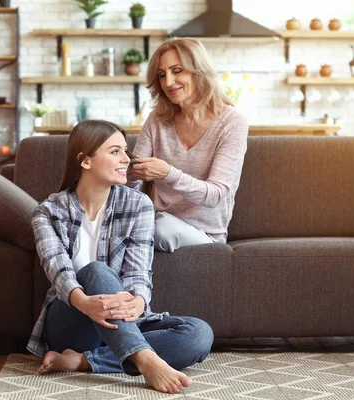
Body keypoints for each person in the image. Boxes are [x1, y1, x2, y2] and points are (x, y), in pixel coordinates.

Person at [27, 119, 214, 394]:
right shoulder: (48, 212)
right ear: (85, 160)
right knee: (97, 271)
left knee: (199, 334)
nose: (126, 159)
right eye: (115, 152)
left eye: (125, 151)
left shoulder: (138, 205)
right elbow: (59, 272)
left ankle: (82, 362)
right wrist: (85, 302)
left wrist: (138, 302)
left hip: (122, 323)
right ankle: (146, 360)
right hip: (72, 320)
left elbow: (139, 273)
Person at [128, 38, 249, 252]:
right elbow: (133, 182)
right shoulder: (157, 119)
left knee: (161, 227)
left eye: (177, 71)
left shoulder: (232, 122)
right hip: (157, 224)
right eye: (162, 75)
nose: (168, 82)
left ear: (199, 71)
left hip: (204, 234)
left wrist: (168, 174)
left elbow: (215, 195)